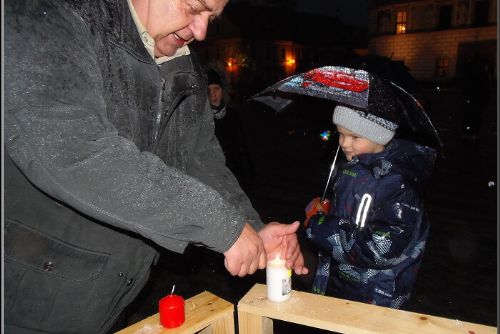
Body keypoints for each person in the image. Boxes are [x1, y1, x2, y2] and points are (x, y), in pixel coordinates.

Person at [4, 1, 307, 333]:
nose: (201, 31)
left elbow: (199, 160)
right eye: (194, 8)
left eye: (212, 17)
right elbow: (74, 150)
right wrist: (219, 224)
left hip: (108, 297)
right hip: (25, 291)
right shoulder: (52, 14)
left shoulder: (187, 66)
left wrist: (249, 227)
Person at [304, 76, 437, 309]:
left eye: (355, 136)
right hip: (340, 285)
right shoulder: (353, 168)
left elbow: (381, 249)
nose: (344, 143)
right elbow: (347, 215)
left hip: (374, 296)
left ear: (380, 135)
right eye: (340, 134)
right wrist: (324, 209)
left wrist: (319, 226)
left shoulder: (398, 185)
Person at [207, 68, 254, 190]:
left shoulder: (233, 115)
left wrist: (248, 176)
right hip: (214, 178)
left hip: (235, 174)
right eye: (209, 90)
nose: (213, 94)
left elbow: (243, 146)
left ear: (223, 90)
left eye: (216, 89)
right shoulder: (203, 119)